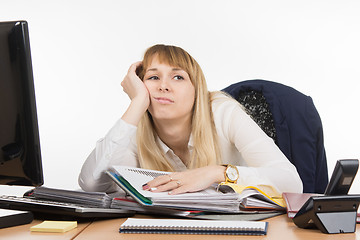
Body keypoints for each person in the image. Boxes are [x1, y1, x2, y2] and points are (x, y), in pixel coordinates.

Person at [78, 44, 303, 195]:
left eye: (178, 77)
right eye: (153, 77)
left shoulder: (223, 113)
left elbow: (291, 182)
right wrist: (137, 104)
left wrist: (217, 172)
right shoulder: (137, 130)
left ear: (197, 90)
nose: (163, 86)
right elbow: (91, 184)